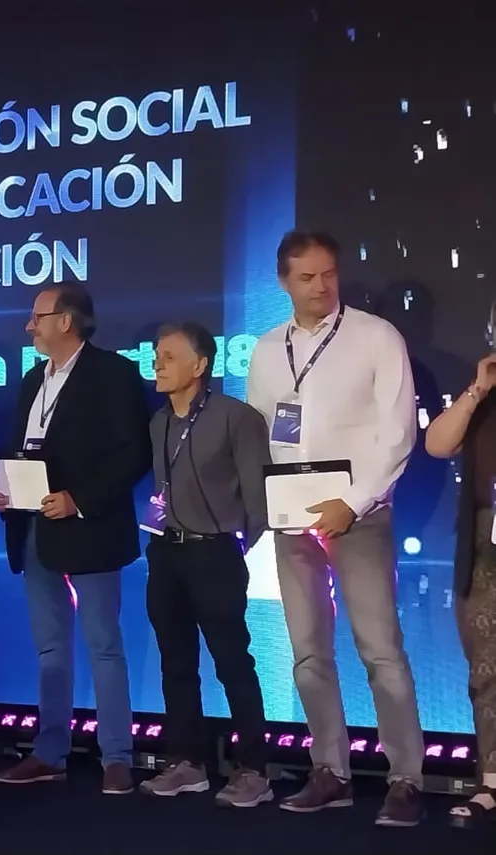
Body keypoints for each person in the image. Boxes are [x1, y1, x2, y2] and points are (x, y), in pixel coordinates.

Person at [246, 231, 424, 827]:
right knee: (306, 652)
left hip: (359, 514)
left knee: (380, 650)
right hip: (291, 520)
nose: (321, 286)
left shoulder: (376, 336)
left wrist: (352, 502)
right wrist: (268, 504)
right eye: (307, 277)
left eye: (328, 274)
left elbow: (397, 434)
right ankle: (331, 771)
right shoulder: (267, 349)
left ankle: (406, 778)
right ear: (283, 283)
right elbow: (262, 433)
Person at [0, 284, 150, 795]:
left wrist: (79, 498)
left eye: (37, 316)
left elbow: (133, 453)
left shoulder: (113, 373)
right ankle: (49, 752)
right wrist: (6, 491)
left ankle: (117, 756)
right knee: (49, 646)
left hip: (90, 526)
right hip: (35, 526)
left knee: (104, 644)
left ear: (66, 320)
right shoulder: (31, 380)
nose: (28, 326)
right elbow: (23, 448)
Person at [137, 323, 272, 807]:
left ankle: (254, 769)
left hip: (214, 552)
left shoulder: (237, 417)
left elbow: (258, 497)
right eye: (157, 355)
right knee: (175, 661)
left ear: (200, 365)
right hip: (166, 552)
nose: (158, 363)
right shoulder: (158, 423)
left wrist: (235, 543)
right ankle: (186, 762)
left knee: (233, 662)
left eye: (169, 356)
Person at [424, 351, 496, 827]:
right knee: (487, 670)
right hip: (486, 548)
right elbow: (437, 444)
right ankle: (492, 782)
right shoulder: (483, 399)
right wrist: (478, 389)